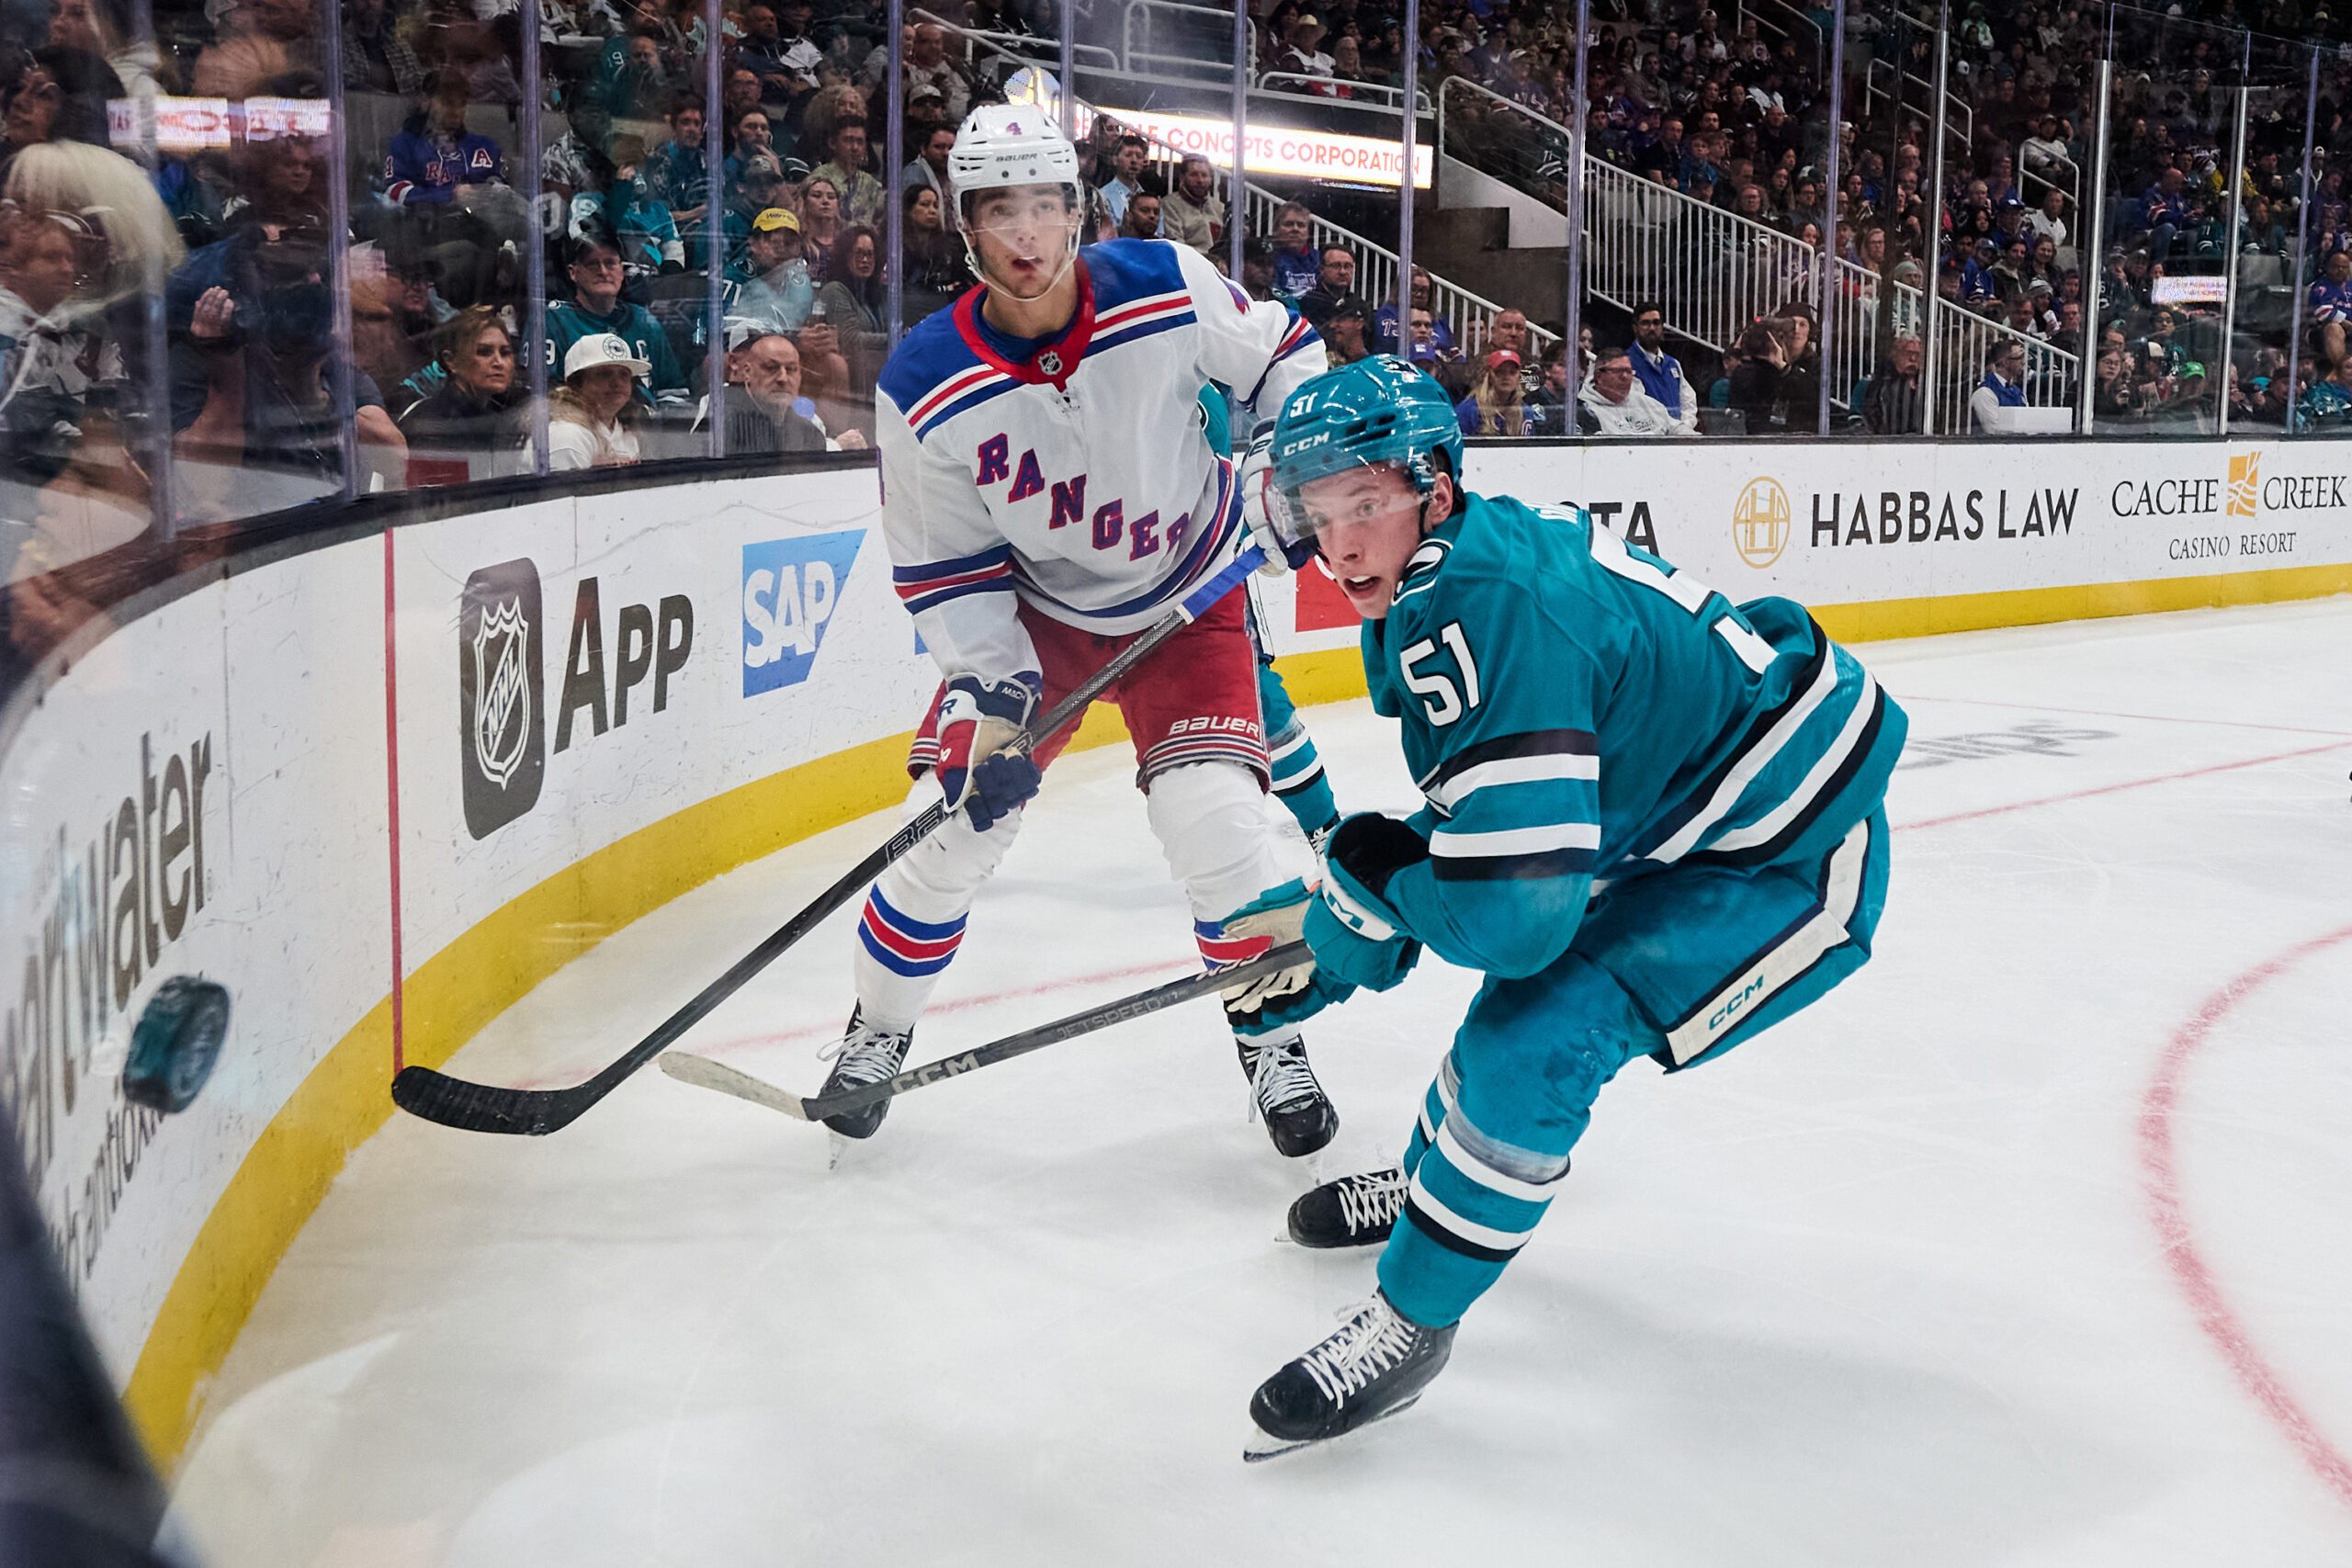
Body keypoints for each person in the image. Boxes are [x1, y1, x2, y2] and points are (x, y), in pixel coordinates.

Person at [1216, 355, 1905, 1458]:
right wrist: (1357, 922)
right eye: (1318, 510)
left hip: (1783, 861)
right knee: (1514, 1005)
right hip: (1682, 823)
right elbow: (1486, 840)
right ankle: (1431, 1187)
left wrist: (1355, 915)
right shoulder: (1447, 574)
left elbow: (1510, 914)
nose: (1337, 543)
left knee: (1534, 1038)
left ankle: (1412, 1325)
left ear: (1434, 485)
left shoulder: (1478, 601)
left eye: (1363, 504)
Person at [833, 104, 1339, 1158]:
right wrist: (995, 699)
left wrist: (1301, 470)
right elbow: (946, 566)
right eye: (996, 209)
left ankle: (1272, 1040)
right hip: (1041, 617)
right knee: (956, 830)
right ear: (963, 226)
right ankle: (875, 1030)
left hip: (1189, 597)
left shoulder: (1161, 281)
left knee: (1221, 830)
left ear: (1078, 211)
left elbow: (1284, 356)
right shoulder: (924, 381)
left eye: (1043, 206)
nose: (1024, 234)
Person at [395, 306, 524, 474]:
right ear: (451, 361)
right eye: (484, 352)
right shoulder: (433, 424)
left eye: (505, 352)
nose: (499, 362)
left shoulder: (500, 414)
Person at [547, 331, 644, 468]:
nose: (617, 382)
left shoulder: (627, 433)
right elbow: (562, 490)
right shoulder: (567, 435)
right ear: (577, 384)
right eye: (604, 374)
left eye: (624, 375)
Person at [1579, 346, 1690, 436]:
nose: (1625, 377)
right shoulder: (1586, 411)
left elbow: (1675, 427)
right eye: (1618, 371)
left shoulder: (1646, 402)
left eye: (1628, 371)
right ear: (1598, 376)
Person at [1625, 301, 1698, 433]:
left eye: (1656, 323)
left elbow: (1689, 404)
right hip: (1647, 441)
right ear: (1635, 328)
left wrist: (1683, 427)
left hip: (1676, 441)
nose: (1652, 328)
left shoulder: (1673, 364)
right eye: (1645, 323)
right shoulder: (1625, 364)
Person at [1453, 348, 1536, 435]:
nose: (1506, 377)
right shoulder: (1468, 410)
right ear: (1488, 375)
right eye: (1499, 372)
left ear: (1519, 376)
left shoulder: (1524, 411)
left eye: (1512, 372)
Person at [1160, 153, 1225, 254]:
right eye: (1194, 174)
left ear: (1210, 179)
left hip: (1218, 265)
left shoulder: (1219, 207)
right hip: (1187, 264)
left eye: (1204, 175)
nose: (1200, 180)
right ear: (1182, 177)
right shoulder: (1169, 204)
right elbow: (1176, 244)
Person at [1860, 334, 1924, 434]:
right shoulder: (1879, 385)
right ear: (1895, 355)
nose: (1913, 358)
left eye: (1918, 354)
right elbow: (1869, 423)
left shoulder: (1927, 387)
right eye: (1908, 353)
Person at [1296, 244, 1368, 333]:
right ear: (1322, 269)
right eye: (1336, 266)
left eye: (1348, 266)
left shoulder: (1359, 304)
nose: (1343, 272)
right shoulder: (1308, 303)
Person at [1968, 340, 2029, 434]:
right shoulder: (1985, 393)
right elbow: (1994, 431)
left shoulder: (2018, 392)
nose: (2023, 362)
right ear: (2004, 362)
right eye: (2019, 358)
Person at [1268, 203, 1318, 299]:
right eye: (1289, 224)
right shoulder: (1267, 257)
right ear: (1276, 230)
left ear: (1307, 232)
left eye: (1301, 225)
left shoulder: (1317, 259)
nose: (1295, 229)